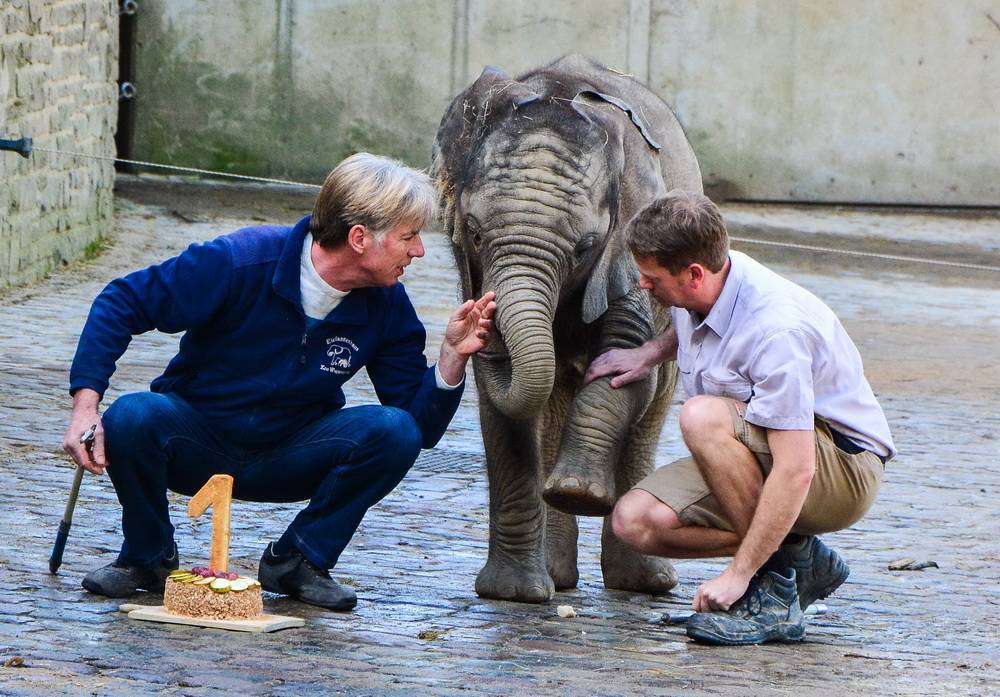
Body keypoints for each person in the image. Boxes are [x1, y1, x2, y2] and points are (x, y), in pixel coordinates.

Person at [64, 153, 496, 612]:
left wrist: (452, 358)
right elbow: (121, 302)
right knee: (131, 415)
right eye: (408, 237)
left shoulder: (387, 305)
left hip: (290, 455)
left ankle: (298, 561)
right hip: (194, 440)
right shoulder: (239, 261)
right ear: (359, 238)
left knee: (395, 430)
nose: (419, 251)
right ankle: (146, 557)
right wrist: (85, 407)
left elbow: (417, 427)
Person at [586, 190, 894, 645]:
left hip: (842, 468)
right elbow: (694, 325)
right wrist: (648, 353)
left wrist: (738, 572)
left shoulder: (775, 331)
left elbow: (797, 469)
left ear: (694, 274)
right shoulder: (710, 281)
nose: (643, 286)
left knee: (702, 417)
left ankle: (773, 594)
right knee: (635, 522)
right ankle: (800, 557)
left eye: (652, 278)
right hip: (765, 450)